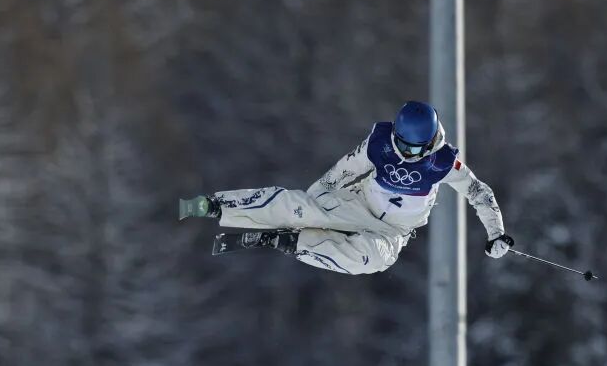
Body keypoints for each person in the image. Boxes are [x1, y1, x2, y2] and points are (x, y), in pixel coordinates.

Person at [179, 101, 512, 275]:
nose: (405, 154)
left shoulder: (443, 162)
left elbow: (479, 193)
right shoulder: (380, 143)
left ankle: (294, 242)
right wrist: (315, 201)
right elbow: (343, 170)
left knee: (371, 260)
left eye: (413, 149)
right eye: (401, 144)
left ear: (430, 142)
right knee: (300, 207)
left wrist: (496, 234)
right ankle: (215, 205)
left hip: (393, 231)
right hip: (358, 204)